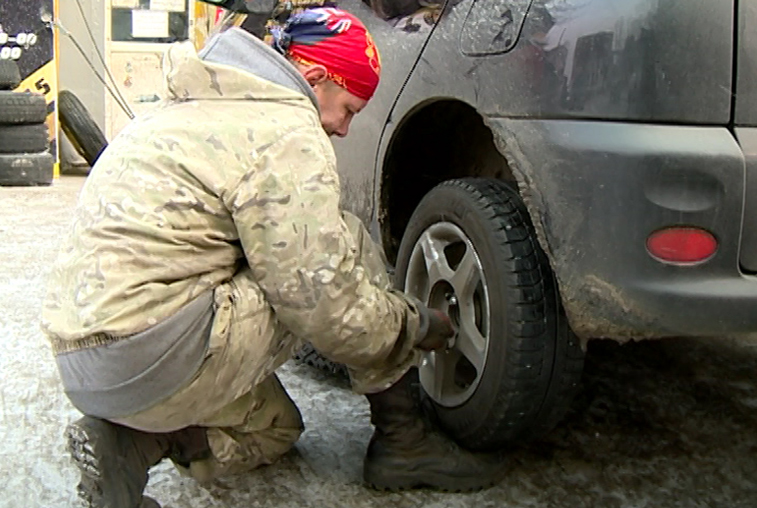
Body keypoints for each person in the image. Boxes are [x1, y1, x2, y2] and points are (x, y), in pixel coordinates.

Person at [42, 8, 504, 508]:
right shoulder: (285, 131)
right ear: (312, 78)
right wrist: (413, 325)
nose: (344, 128)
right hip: (151, 351)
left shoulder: (183, 104)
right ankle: (405, 440)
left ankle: (129, 443)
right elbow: (325, 305)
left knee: (275, 429)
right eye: (347, 108)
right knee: (333, 251)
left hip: (85, 361)